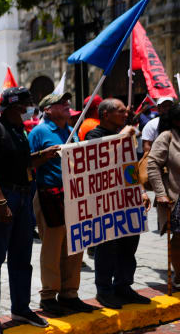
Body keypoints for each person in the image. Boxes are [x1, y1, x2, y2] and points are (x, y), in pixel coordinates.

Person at [0, 87, 55, 333]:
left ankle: (21, 309)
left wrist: (43, 156)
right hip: (4, 199)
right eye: (26, 104)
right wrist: (1, 201)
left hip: (24, 198)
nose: (29, 108)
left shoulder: (20, 130)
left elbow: (24, 163)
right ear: (14, 106)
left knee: (22, 258)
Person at [28, 93, 97, 316]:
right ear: (48, 109)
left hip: (74, 195)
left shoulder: (71, 130)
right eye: (61, 103)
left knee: (75, 245)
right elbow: (27, 162)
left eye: (67, 102)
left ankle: (70, 293)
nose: (67, 105)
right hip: (50, 194)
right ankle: (48, 296)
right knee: (52, 247)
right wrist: (45, 155)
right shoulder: (39, 132)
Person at [85, 98, 151, 308]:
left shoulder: (125, 135)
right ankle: (104, 290)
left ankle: (124, 285)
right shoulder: (94, 134)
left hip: (128, 197)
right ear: (106, 114)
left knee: (129, 243)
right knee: (108, 246)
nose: (126, 114)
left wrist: (140, 189)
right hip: (107, 200)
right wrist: (125, 134)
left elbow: (130, 164)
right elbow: (100, 154)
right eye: (121, 111)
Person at [147, 103, 180, 286]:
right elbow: (153, 165)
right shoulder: (166, 137)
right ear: (176, 120)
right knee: (179, 237)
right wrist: (160, 193)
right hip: (177, 196)